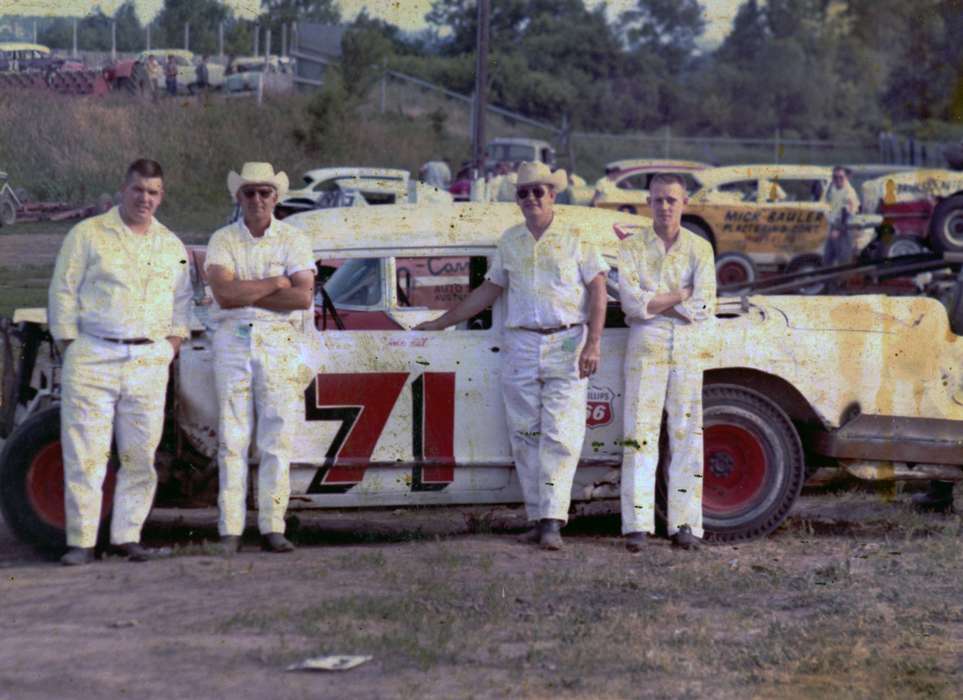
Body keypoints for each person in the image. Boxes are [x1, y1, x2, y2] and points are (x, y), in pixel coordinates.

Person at [415, 161, 609, 550]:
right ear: (517, 199)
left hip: (567, 339)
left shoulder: (577, 237)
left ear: (553, 195)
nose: (532, 198)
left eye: (539, 191)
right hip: (521, 342)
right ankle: (538, 517)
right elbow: (488, 291)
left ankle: (554, 520)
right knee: (524, 434)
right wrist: (440, 323)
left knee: (561, 434)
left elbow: (599, 290)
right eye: (524, 192)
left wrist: (593, 343)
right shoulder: (510, 241)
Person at [48, 159, 192, 566]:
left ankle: (127, 537)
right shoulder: (88, 235)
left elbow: (183, 305)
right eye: (138, 190)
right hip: (94, 353)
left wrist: (170, 347)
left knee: (140, 456)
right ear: (123, 190)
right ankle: (81, 542)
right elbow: (63, 291)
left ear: (161, 196)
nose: (144, 199)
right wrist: (70, 345)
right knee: (86, 453)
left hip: (148, 358)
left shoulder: (171, 246)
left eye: (153, 192)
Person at [204, 162, 316, 554]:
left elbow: (302, 297)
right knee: (233, 436)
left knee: (276, 435)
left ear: (276, 197)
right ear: (238, 196)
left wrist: (246, 289)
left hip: (279, 341)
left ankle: (272, 525)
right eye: (249, 192)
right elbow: (225, 295)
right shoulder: (223, 240)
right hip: (233, 338)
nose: (256, 200)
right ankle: (230, 529)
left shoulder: (293, 239)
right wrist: (275, 283)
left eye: (263, 192)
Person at [618, 173, 716, 552]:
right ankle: (637, 526)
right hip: (647, 343)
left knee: (686, 433)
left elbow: (703, 305)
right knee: (639, 432)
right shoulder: (632, 248)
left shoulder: (699, 249)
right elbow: (632, 304)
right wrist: (680, 295)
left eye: (671, 200)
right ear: (648, 203)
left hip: (688, 344)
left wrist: (657, 302)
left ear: (684, 202)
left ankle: (685, 525)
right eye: (658, 200)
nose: (664, 207)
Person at [823, 166, 860, 268]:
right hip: (833, 226)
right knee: (827, 259)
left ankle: (842, 283)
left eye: (841, 177)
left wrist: (838, 230)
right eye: (835, 177)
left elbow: (846, 213)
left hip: (844, 229)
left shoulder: (849, 192)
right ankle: (829, 283)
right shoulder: (833, 188)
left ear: (846, 177)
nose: (838, 179)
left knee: (843, 260)